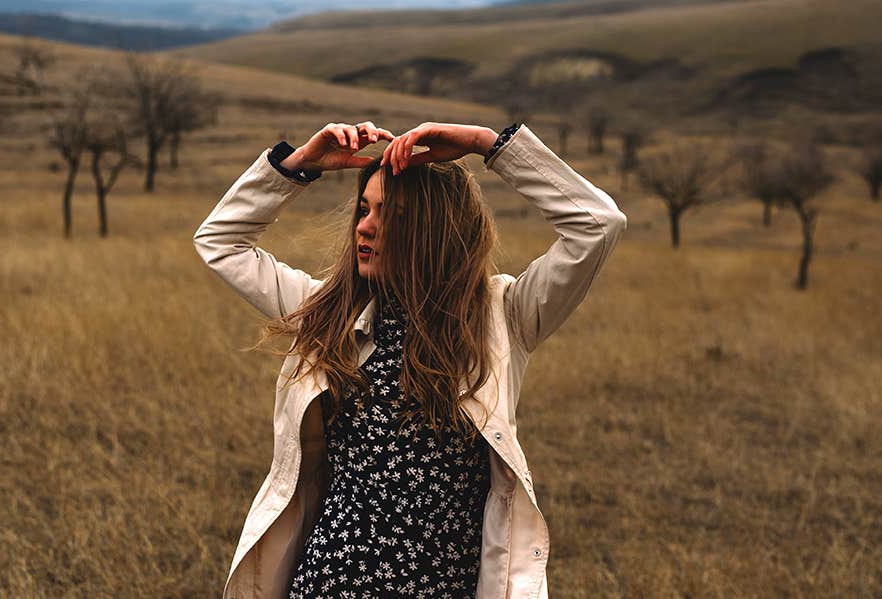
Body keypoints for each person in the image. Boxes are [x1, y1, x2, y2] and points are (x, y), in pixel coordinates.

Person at [194, 120, 628, 598]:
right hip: (326, 585)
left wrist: (487, 145)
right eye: (364, 208)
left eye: (390, 214)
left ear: (435, 227)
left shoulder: (503, 318)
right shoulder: (330, 314)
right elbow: (221, 241)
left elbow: (596, 225)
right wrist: (301, 165)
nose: (365, 225)